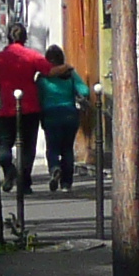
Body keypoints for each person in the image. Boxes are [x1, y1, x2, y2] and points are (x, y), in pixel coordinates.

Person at [0, 20, 46, 193]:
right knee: (28, 146)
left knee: (3, 145)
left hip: (7, 108)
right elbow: (49, 70)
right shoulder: (32, 56)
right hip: (30, 107)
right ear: (25, 37)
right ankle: (24, 182)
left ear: (7, 37)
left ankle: (9, 169)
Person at [35, 45, 89, 193]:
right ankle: (66, 183)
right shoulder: (70, 74)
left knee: (52, 148)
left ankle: (54, 168)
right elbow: (84, 90)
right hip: (70, 114)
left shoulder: (42, 78)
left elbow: (37, 97)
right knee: (67, 149)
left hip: (51, 115)